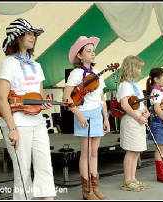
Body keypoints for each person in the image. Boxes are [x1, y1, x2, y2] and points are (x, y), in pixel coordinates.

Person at [0, 18, 56, 200]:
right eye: (29, 34)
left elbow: (36, 99)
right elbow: (1, 98)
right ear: (18, 37)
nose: (33, 37)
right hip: (18, 124)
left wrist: (42, 105)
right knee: (22, 172)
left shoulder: (36, 65)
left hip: (37, 123)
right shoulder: (9, 63)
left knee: (45, 165)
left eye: (34, 35)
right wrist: (12, 128)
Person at [63, 36, 110, 200]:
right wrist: (79, 115)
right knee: (86, 153)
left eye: (93, 51)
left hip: (97, 113)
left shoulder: (98, 73)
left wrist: (106, 118)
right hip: (83, 113)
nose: (92, 54)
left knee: (95, 153)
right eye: (88, 51)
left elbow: (102, 98)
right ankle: (86, 189)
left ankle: (95, 187)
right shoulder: (76, 73)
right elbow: (66, 98)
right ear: (80, 55)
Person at [116, 55, 150, 192]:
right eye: (139, 68)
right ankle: (127, 180)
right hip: (132, 121)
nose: (140, 71)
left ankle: (133, 178)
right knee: (131, 151)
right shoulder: (125, 85)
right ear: (132, 68)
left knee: (136, 151)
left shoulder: (134, 85)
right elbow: (124, 104)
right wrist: (138, 117)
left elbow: (137, 103)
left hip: (138, 120)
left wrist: (146, 111)